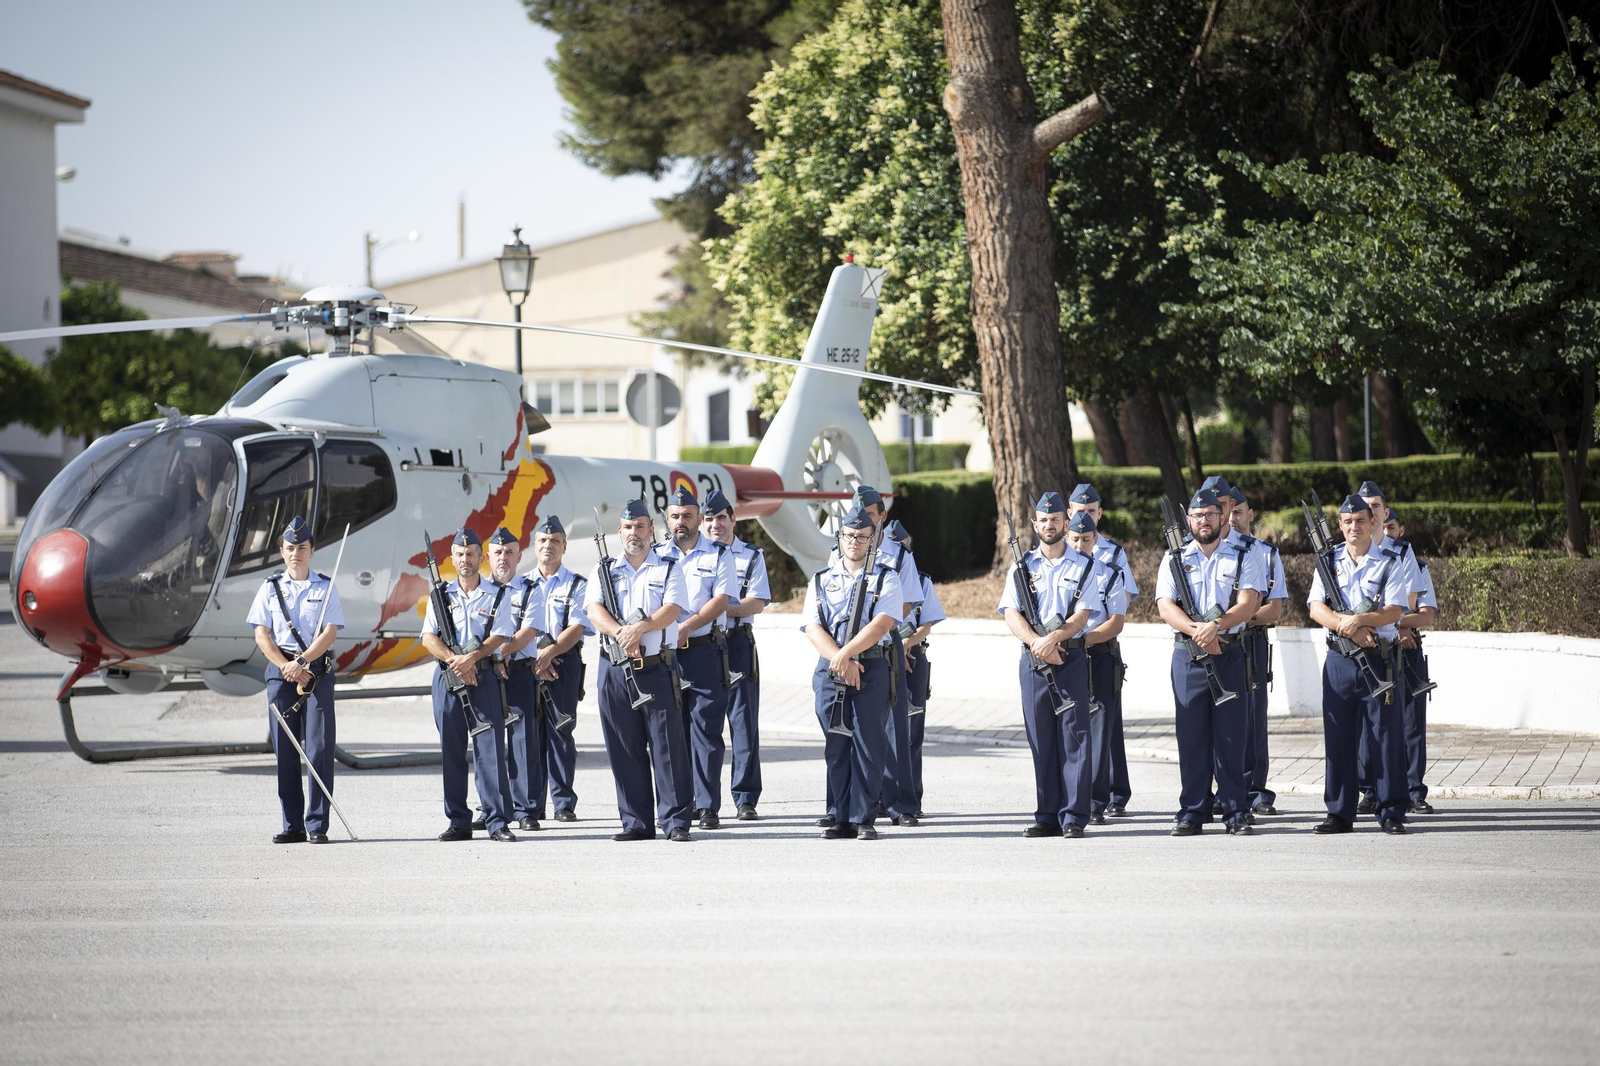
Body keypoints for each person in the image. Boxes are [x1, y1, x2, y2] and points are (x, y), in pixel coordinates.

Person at [1155, 488, 1266, 837]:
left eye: (1211, 515)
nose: (1205, 521)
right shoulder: (1174, 557)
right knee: (1191, 736)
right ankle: (1192, 810)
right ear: (1189, 520)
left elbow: (1248, 603)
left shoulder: (1244, 554)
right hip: (1188, 656)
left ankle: (1235, 810)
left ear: (1223, 517)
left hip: (1230, 652)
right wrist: (1197, 631)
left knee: (1232, 736)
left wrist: (1216, 627)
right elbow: (1165, 605)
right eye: (1198, 515)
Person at [586, 499, 695, 842]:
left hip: (656, 667)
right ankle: (636, 822)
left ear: (652, 530)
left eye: (641, 526)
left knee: (667, 747)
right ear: (620, 532)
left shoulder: (668, 567)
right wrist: (621, 632)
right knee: (624, 747)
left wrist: (639, 629)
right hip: (615, 669)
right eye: (628, 527)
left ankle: (675, 821)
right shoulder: (603, 569)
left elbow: (673, 610)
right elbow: (593, 610)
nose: (635, 533)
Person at [999, 491, 1104, 839]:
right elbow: (1011, 612)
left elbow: (1083, 614)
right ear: (1035, 524)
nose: (1048, 524)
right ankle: (1046, 814)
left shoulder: (1085, 566)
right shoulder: (1021, 566)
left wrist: (1054, 639)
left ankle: (1073, 816)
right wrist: (1036, 643)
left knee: (1075, 737)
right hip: (1032, 661)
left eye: (1055, 519)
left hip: (1070, 658)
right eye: (1043, 520)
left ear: (1066, 522)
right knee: (1040, 738)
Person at [1306, 495, 1411, 835]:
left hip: (1378, 659)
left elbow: (1395, 610)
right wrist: (1345, 625)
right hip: (1339, 660)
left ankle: (1391, 809)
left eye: (1362, 520)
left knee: (1385, 735)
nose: (1355, 526)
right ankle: (1339, 812)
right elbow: (1315, 608)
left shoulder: (1390, 561)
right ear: (1340, 525)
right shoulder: (1328, 560)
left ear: (1373, 523)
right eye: (1348, 522)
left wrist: (1359, 620)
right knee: (1338, 737)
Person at [802, 505, 904, 840]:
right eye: (848, 536)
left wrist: (848, 654)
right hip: (832, 668)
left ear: (873, 540)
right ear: (840, 537)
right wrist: (840, 660)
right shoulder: (821, 580)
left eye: (862, 537)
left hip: (871, 666)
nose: (854, 542)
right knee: (836, 744)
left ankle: (864, 818)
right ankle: (840, 817)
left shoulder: (887, 577)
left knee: (868, 742)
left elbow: (882, 623)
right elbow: (813, 627)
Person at [247, 516, 344, 844]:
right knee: (285, 751)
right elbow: (262, 634)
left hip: (316, 672)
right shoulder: (269, 588)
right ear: (282, 551)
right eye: (290, 548)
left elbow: (329, 633)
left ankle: (317, 825)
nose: (296, 553)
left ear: (312, 551)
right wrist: (287, 666)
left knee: (318, 748)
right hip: (281, 674)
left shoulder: (326, 587)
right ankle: (293, 825)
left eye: (302, 548)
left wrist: (302, 662)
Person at [421, 528, 518, 843]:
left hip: (484, 676)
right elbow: (428, 637)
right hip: (448, 677)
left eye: (472, 554)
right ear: (453, 557)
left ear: (481, 557)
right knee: (451, 749)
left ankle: (496, 821)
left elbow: (499, 636)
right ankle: (459, 821)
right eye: (460, 554)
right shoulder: (440, 596)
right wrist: (454, 660)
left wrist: (472, 659)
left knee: (489, 749)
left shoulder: (497, 594)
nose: (465, 559)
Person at [657, 485, 738, 829]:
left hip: (704, 649)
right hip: (664, 654)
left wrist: (686, 627)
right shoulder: (657, 555)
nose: (681, 522)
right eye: (674, 516)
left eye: (687, 516)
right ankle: (680, 803)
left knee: (705, 730)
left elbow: (722, 601)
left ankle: (707, 806)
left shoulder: (719, 555)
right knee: (672, 732)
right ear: (667, 519)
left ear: (699, 519)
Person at [1354, 480, 1423, 815]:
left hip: (1389, 646)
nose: (1371, 513)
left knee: (1393, 724)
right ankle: (1369, 790)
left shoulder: (1401, 551)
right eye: (1365, 507)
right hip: (1355, 644)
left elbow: (1408, 601)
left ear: (1383, 512)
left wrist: (1373, 621)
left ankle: (1405, 791)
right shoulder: (1347, 551)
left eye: (1376, 506)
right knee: (1363, 727)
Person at [1067, 483, 1137, 816]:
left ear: (1100, 513)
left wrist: (1088, 635)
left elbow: (1121, 604)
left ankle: (1114, 793)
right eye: (1079, 513)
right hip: (1068, 648)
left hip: (1099, 644)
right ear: (1069, 515)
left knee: (1107, 724)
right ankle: (1089, 795)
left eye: (1091, 512)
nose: (1085, 518)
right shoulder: (1058, 554)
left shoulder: (1112, 553)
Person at [703, 490, 769, 821]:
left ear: (733, 520)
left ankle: (745, 798)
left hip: (737, 642)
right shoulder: (692, 557)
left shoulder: (751, 556)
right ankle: (704, 800)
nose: (715, 524)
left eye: (721, 518)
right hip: (703, 644)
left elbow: (756, 602)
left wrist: (715, 609)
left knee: (743, 724)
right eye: (709, 519)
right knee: (703, 725)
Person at [1228, 487, 1288, 817]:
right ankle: (1221, 789)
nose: (1233, 518)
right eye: (1228, 512)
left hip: (1251, 641)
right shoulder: (1211, 553)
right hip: (1221, 643)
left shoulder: (1266, 554)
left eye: (1239, 512)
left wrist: (1240, 616)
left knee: (1253, 718)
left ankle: (1256, 790)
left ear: (1250, 516)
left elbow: (1275, 609)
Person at [526, 514, 587, 822]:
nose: (548, 546)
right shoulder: (521, 584)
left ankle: (563, 804)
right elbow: (514, 628)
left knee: (561, 734)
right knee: (529, 737)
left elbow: (577, 626)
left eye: (554, 541)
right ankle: (531, 806)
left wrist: (549, 654)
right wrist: (538, 657)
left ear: (564, 547)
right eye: (542, 541)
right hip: (529, 665)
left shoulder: (577, 584)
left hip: (564, 664)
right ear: (534, 547)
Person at [483, 527, 545, 833]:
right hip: (488, 674)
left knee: (523, 742)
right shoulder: (479, 590)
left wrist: (503, 651)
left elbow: (530, 629)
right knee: (488, 743)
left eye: (509, 552)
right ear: (488, 556)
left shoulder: (532, 589)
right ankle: (490, 807)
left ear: (520, 556)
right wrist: (494, 657)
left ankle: (525, 809)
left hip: (519, 671)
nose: (503, 557)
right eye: (498, 552)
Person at [887, 521, 945, 817]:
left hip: (913, 663)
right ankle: (885, 797)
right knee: (882, 731)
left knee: (911, 733)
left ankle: (912, 797)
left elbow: (927, 624)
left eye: (904, 546)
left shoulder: (921, 581)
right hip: (884, 659)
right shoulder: (877, 581)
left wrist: (906, 643)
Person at [1383, 508, 1437, 814]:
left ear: (1401, 531)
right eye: (1384, 527)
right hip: (1381, 648)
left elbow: (1426, 614)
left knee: (1412, 722)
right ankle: (1372, 790)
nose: (1388, 532)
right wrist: (1397, 623)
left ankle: (1414, 789)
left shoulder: (1415, 565)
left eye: (1393, 527)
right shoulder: (1371, 565)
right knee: (1375, 723)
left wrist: (1401, 624)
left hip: (1410, 648)